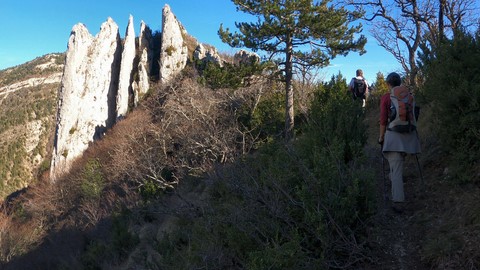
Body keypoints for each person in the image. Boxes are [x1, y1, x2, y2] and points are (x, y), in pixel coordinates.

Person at [378, 72, 421, 213]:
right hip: (409, 136)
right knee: (397, 164)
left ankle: (398, 202)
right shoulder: (409, 96)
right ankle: (396, 182)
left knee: (395, 169)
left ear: (388, 83)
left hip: (394, 136)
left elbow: (383, 120)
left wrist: (381, 137)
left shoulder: (386, 97)